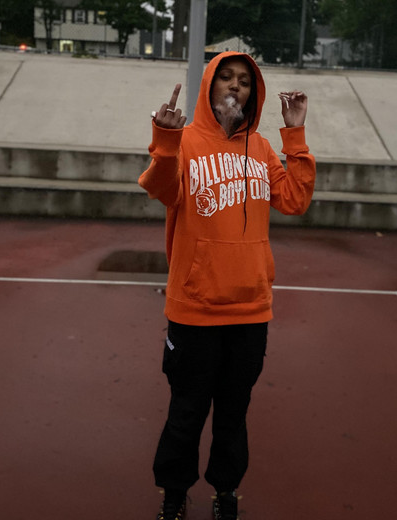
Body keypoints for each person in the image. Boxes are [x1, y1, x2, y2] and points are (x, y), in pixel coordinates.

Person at [138, 52, 316, 520]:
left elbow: (295, 200)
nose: (235, 87)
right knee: (186, 413)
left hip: (250, 309)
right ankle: (174, 497)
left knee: (233, 416)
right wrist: (165, 139)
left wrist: (295, 134)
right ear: (209, 87)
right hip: (194, 309)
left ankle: (226, 494)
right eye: (226, 78)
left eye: (244, 81)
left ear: (253, 94)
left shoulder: (261, 148)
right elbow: (160, 188)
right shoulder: (185, 141)